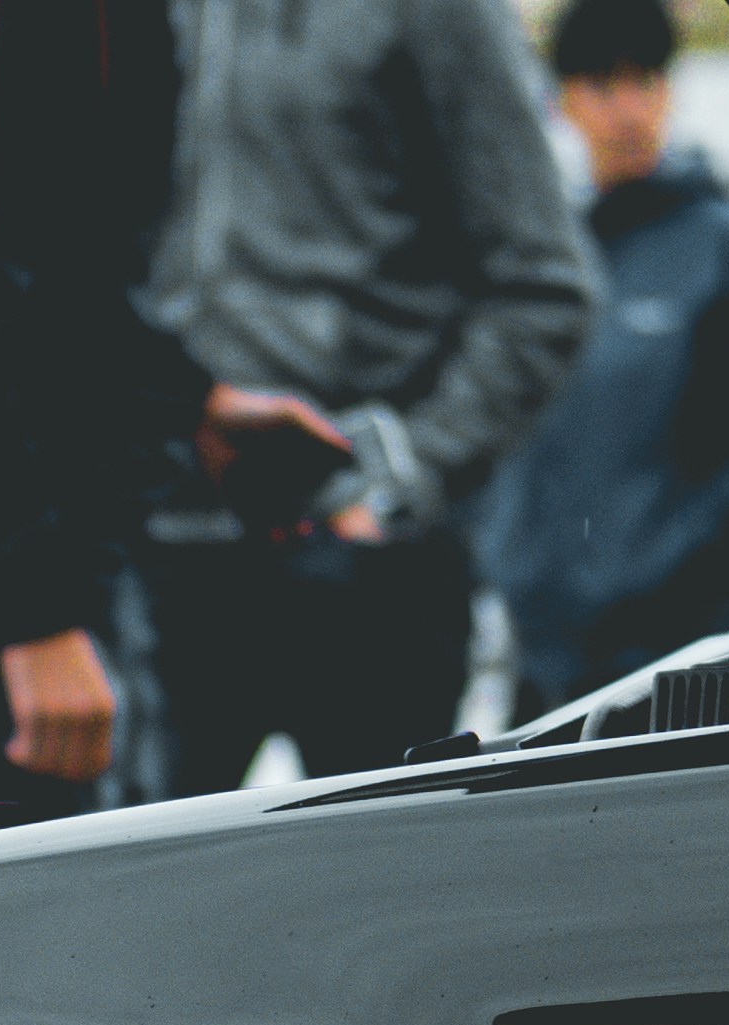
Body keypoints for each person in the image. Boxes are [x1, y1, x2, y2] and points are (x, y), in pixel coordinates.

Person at [0, 0, 362, 824]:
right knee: (11, 934)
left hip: (41, 557)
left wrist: (188, 403)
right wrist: (35, 613)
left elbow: (62, 266)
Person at [136, 0, 594, 792]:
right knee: (135, 901)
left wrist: (403, 467)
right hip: (172, 551)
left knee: (378, 906)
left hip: (362, 565)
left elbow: (545, 287)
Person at [474, 0, 729, 717]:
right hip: (550, 659)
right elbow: (496, 432)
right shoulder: (539, 264)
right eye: (604, 84)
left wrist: (664, 563)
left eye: (647, 80)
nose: (628, 108)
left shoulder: (725, 249)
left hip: (694, 659)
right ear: (563, 99)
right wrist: (517, 568)